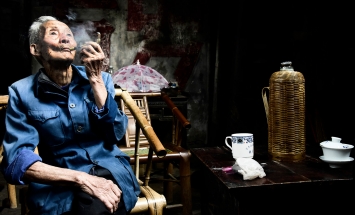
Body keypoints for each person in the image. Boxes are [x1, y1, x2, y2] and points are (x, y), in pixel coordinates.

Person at [0, 16, 140, 215]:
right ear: (35, 49)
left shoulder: (101, 79)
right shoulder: (21, 92)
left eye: (69, 35)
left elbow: (115, 135)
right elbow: (16, 162)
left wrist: (96, 80)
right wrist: (81, 179)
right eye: (54, 33)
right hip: (61, 184)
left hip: (111, 172)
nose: (65, 39)